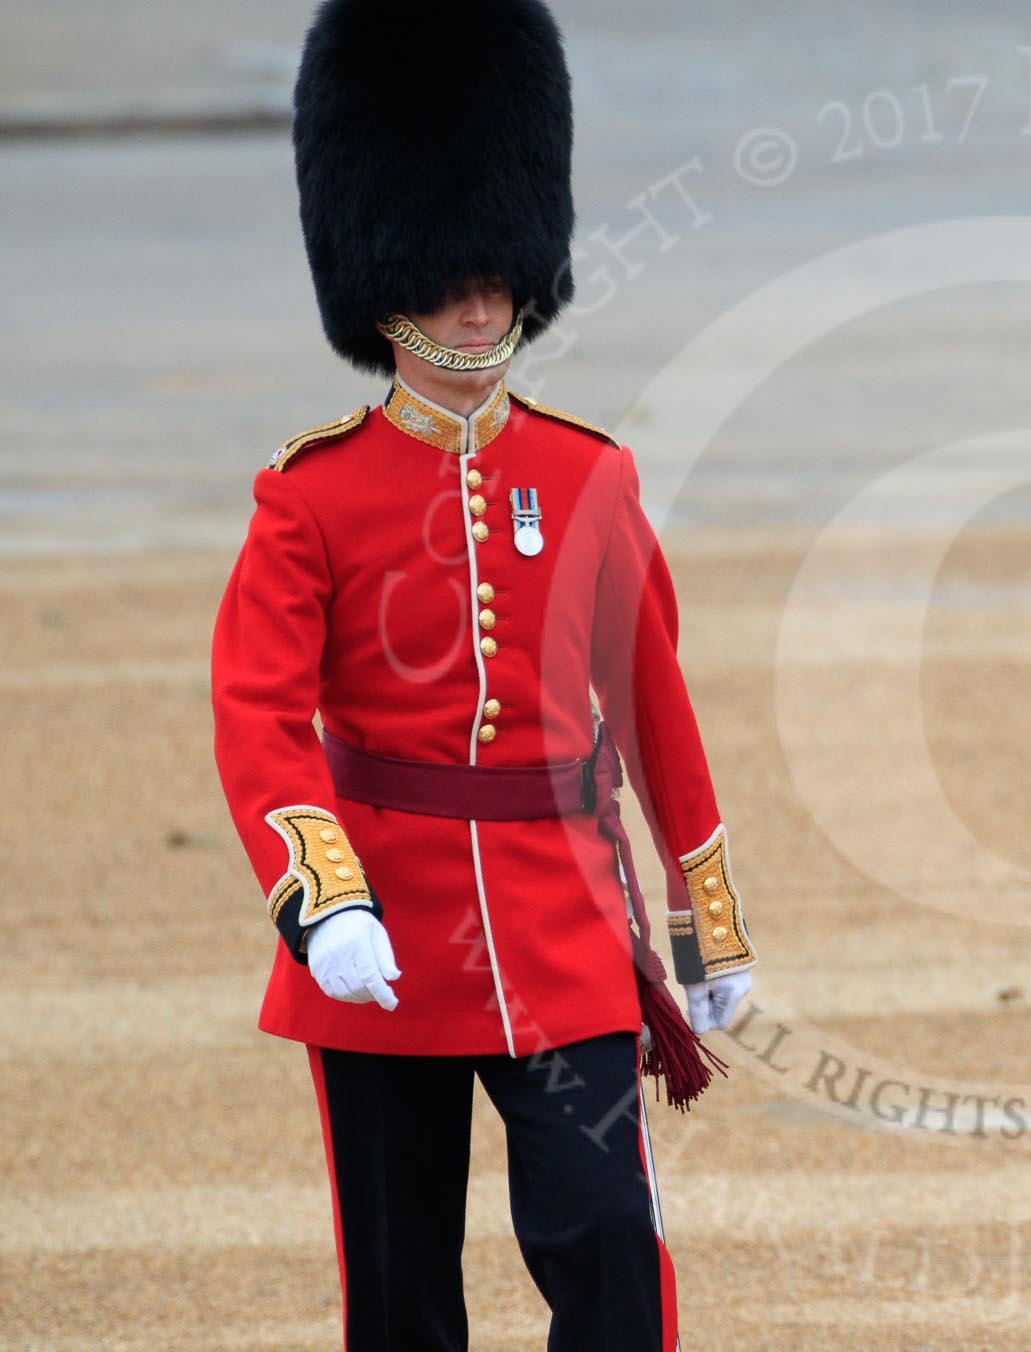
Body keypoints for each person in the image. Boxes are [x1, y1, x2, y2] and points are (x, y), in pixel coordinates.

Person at [209, 3, 752, 1346]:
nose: (479, 298)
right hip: (383, 921)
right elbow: (260, 715)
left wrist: (706, 913)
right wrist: (320, 899)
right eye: (451, 274)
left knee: (609, 1241)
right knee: (402, 1289)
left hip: (561, 920)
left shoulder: (589, 477)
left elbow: (653, 705)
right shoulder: (309, 496)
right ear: (384, 282)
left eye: (497, 273)